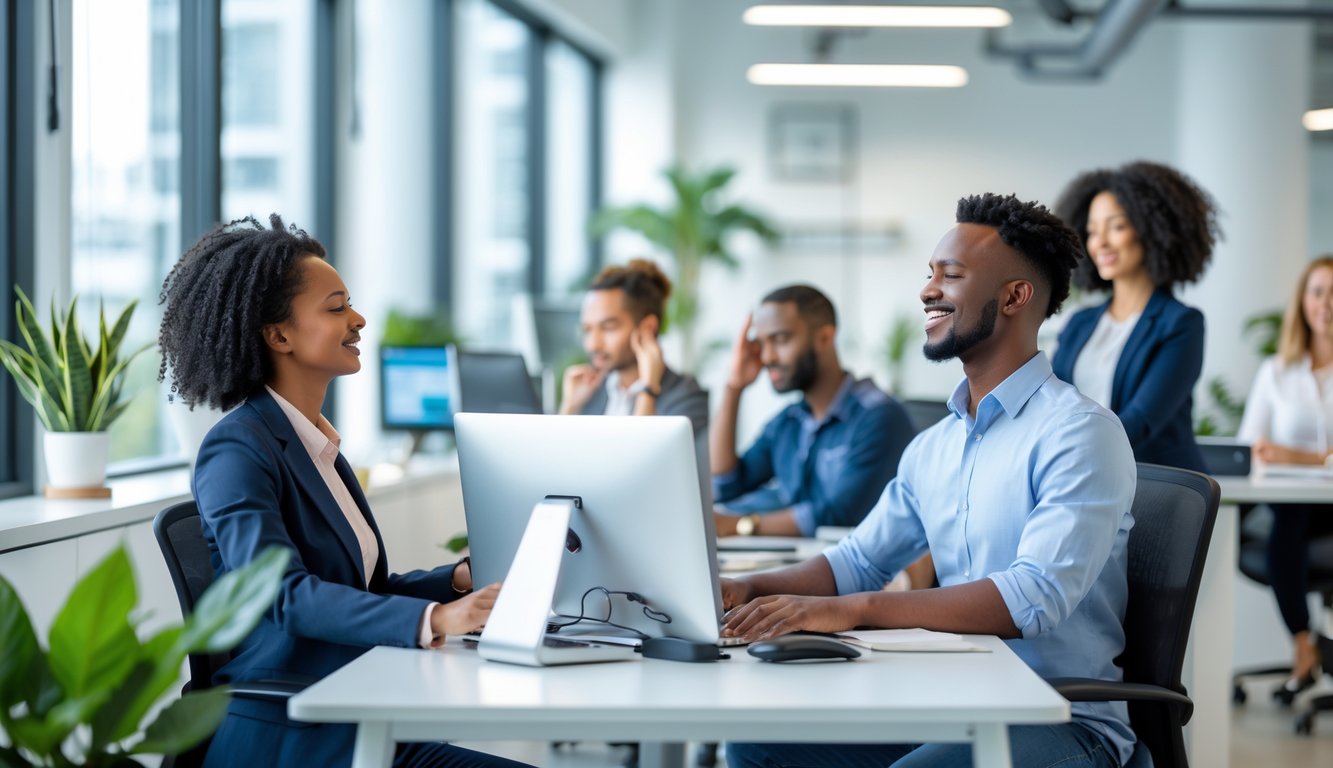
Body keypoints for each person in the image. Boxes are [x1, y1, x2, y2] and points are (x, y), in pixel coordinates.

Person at [722, 194, 1138, 768]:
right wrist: (750, 588)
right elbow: (855, 563)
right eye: (930, 274)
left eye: (952, 275)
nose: (927, 290)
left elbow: (1032, 599)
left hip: (1061, 717)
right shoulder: (934, 447)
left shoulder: (1079, 433)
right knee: (755, 746)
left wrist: (854, 610)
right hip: (955, 699)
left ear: (1016, 296)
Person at [158, 216, 529, 768]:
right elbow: (283, 595)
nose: (357, 320)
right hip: (295, 734)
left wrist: (453, 584)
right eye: (336, 308)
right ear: (278, 334)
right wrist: (435, 620)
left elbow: (359, 589)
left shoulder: (317, 447)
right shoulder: (236, 449)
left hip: (357, 711)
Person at [1052, 160, 1221, 473]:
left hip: (1158, 490)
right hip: (1082, 478)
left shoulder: (1181, 323)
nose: (1100, 242)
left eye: (1116, 227)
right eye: (1092, 231)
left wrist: (1059, 453)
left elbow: (1140, 422)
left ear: (1152, 230)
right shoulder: (1079, 323)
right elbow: (1050, 404)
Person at [711, 285, 914, 539]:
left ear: (825, 338)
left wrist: (740, 524)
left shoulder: (880, 417)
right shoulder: (789, 421)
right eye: (761, 344)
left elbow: (838, 516)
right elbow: (725, 485)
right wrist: (734, 387)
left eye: (780, 339)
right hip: (801, 561)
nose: (767, 356)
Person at [1237, 255, 1333, 701]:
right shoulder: (1276, 371)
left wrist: (1295, 455)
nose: (1326, 303)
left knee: (1290, 522)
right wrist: (1320, 458)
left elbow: (1278, 451)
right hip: (1290, 509)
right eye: (1318, 292)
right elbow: (1251, 448)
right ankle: (1303, 645)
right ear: (1303, 301)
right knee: (1289, 520)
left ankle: (1308, 650)